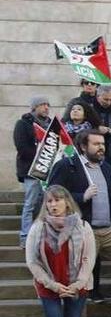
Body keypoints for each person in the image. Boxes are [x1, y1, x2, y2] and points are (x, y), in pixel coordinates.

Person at [48, 130, 111, 317]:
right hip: (81, 231)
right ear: (83, 146)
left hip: (108, 231)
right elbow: (52, 196)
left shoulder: (107, 168)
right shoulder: (68, 166)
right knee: (80, 277)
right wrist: (81, 196)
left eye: (102, 144)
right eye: (96, 144)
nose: (101, 147)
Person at [25, 185, 95, 317]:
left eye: (57, 200)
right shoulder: (38, 228)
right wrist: (52, 284)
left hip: (76, 285)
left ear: (67, 202)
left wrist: (78, 282)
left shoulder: (82, 226)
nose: (53, 204)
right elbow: (32, 261)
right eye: (49, 201)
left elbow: (89, 258)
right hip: (49, 286)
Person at [14, 96, 52, 248]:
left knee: (47, 204)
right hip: (31, 171)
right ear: (34, 107)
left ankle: (44, 235)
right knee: (30, 204)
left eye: (48, 105)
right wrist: (39, 156)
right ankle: (25, 237)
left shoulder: (50, 125)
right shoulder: (23, 124)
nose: (46, 108)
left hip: (47, 171)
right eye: (43, 105)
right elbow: (22, 147)